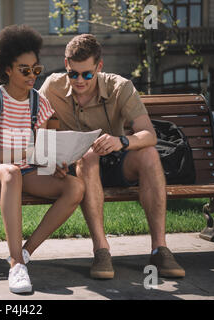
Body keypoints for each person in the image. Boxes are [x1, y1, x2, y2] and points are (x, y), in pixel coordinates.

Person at [39, 33, 185, 279]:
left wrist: (121, 141)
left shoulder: (121, 87)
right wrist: (52, 160)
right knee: (87, 156)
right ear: (66, 65)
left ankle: (160, 249)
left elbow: (148, 134)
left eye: (87, 74)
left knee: (149, 154)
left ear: (99, 66)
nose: (80, 80)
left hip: (117, 160)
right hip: (79, 166)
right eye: (73, 73)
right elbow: (36, 128)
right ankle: (101, 250)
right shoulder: (52, 87)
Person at [0, 25, 85, 294]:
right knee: (10, 173)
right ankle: (17, 267)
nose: (32, 75)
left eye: (36, 69)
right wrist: (31, 153)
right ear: (7, 68)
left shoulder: (39, 104)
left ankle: (24, 253)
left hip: (24, 170)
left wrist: (54, 161)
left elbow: (42, 148)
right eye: (24, 69)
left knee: (75, 187)